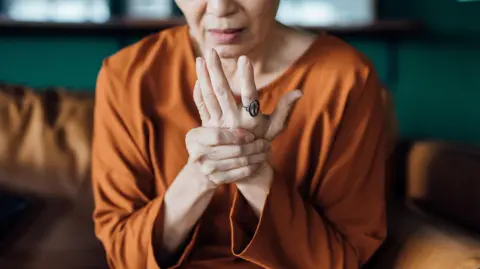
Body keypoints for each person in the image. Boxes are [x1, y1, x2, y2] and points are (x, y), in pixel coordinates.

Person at [91, 0, 394, 268]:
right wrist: (202, 175)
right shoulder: (127, 77)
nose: (220, 8)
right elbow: (124, 256)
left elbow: (343, 260)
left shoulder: (346, 79)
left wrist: (253, 171)